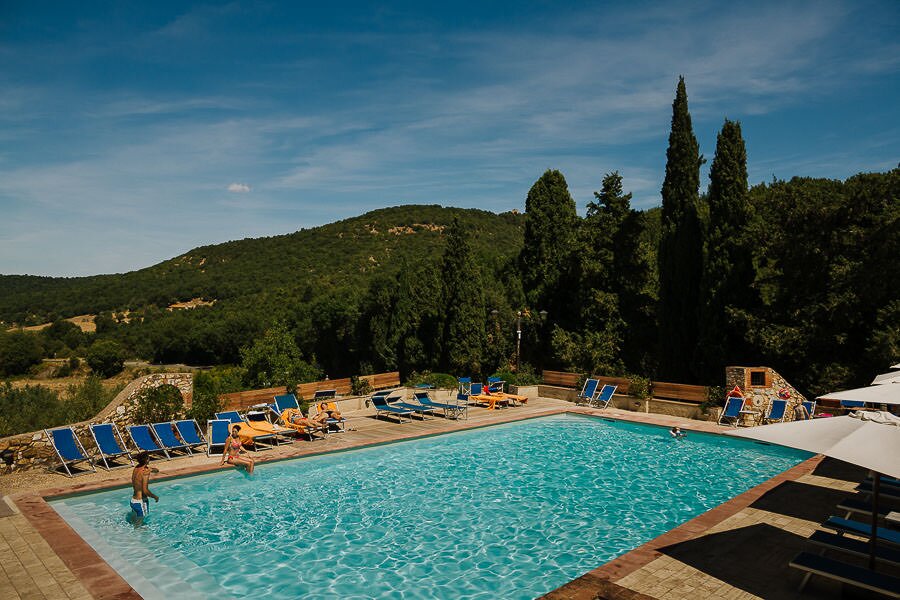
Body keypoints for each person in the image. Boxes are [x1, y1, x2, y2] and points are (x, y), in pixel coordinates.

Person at [130, 452, 159, 526]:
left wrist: (154, 470)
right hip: (140, 503)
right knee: (139, 526)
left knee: (134, 522)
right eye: (148, 457)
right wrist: (155, 497)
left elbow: (153, 469)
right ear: (146, 460)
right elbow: (145, 491)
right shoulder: (145, 472)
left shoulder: (136, 468)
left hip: (133, 501)